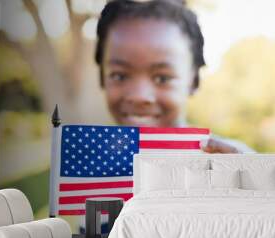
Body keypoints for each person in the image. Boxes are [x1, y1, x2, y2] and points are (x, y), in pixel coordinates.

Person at [95, 0, 254, 153]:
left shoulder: (237, 161)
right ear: (102, 77)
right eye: (120, 76)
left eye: (162, 78)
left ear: (194, 80)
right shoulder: (83, 164)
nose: (139, 96)